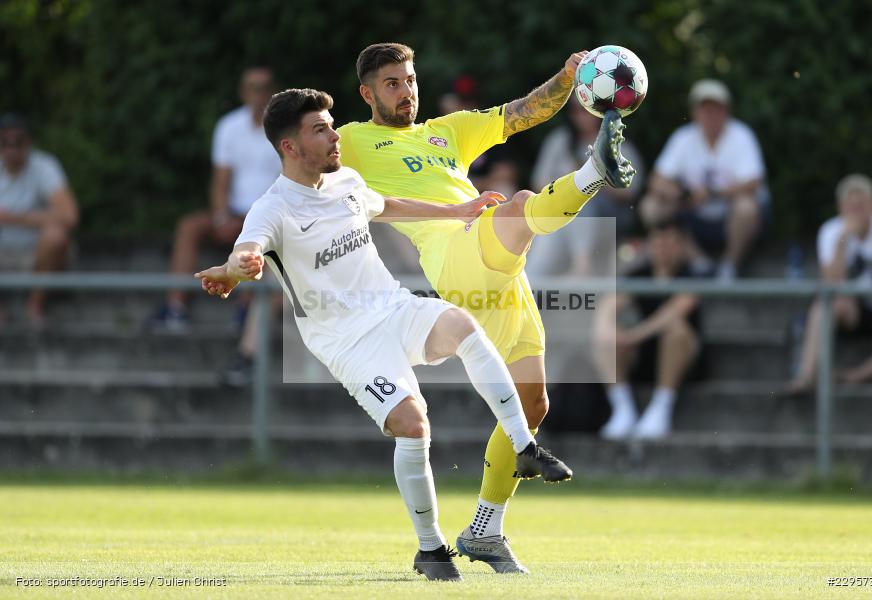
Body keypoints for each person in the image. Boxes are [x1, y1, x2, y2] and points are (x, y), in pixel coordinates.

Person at [194, 88, 572, 581]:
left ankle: (524, 448)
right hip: (345, 340)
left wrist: (457, 211)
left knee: (463, 324)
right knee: (414, 427)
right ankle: (431, 547)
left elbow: (386, 205)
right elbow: (247, 251)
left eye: (331, 125)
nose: (335, 135)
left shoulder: (346, 180)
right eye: (321, 129)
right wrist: (236, 268)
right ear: (290, 147)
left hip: (392, 307)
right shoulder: (272, 208)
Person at [336, 43, 634, 572]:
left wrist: (567, 77)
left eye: (409, 80)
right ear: (367, 93)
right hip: (454, 257)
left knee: (533, 405)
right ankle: (593, 174)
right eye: (391, 84)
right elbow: (306, 168)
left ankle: (485, 529)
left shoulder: (447, 130)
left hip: (500, 270)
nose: (406, 92)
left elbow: (523, 112)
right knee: (516, 206)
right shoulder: (353, 141)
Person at [149, 66, 281, 332]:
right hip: (233, 212)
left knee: (266, 237)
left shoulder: (285, 130)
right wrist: (222, 218)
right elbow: (220, 181)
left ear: (273, 91)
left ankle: (246, 309)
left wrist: (250, 222)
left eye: (263, 88)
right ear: (243, 93)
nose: (258, 95)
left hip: (268, 214)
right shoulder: (229, 126)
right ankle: (175, 307)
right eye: (253, 88)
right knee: (190, 227)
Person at [639, 79, 768, 281]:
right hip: (694, 214)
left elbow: (754, 181)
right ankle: (696, 261)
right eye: (704, 109)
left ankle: (730, 265)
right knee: (651, 206)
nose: (709, 114)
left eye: (715, 109)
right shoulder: (683, 137)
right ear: (695, 112)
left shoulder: (741, 135)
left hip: (730, 214)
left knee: (746, 207)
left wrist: (712, 193)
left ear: (726, 111)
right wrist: (679, 193)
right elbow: (657, 180)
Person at [592, 220, 704, 440]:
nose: (663, 247)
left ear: (681, 246)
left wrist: (634, 335)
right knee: (606, 337)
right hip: (643, 352)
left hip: (683, 355)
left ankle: (661, 408)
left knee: (677, 330)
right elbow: (608, 305)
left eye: (669, 242)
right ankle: (622, 408)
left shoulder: (692, 275)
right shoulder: (639, 275)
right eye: (658, 241)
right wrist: (605, 327)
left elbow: (674, 312)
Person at [788, 175, 872, 392]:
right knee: (824, 307)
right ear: (840, 208)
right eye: (851, 205)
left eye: (862, 204)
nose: (856, 211)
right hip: (857, 308)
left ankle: (857, 376)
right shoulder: (832, 231)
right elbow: (831, 282)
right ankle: (806, 376)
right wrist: (843, 239)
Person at [526, 96, 644, 278]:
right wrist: (567, 185)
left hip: (609, 213)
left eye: (587, 111)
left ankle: (582, 265)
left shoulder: (615, 140)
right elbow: (538, 183)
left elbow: (629, 191)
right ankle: (530, 279)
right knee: (563, 208)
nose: (581, 116)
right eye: (576, 110)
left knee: (580, 198)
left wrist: (592, 178)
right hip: (560, 211)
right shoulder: (560, 141)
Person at [0, 113, 79, 326]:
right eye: (5, 142)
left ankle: (35, 306)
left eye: (18, 142)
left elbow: (69, 215)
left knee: (56, 236)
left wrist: (13, 218)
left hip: (37, 254)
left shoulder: (44, 165)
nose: (11, 149)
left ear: (29, 142)